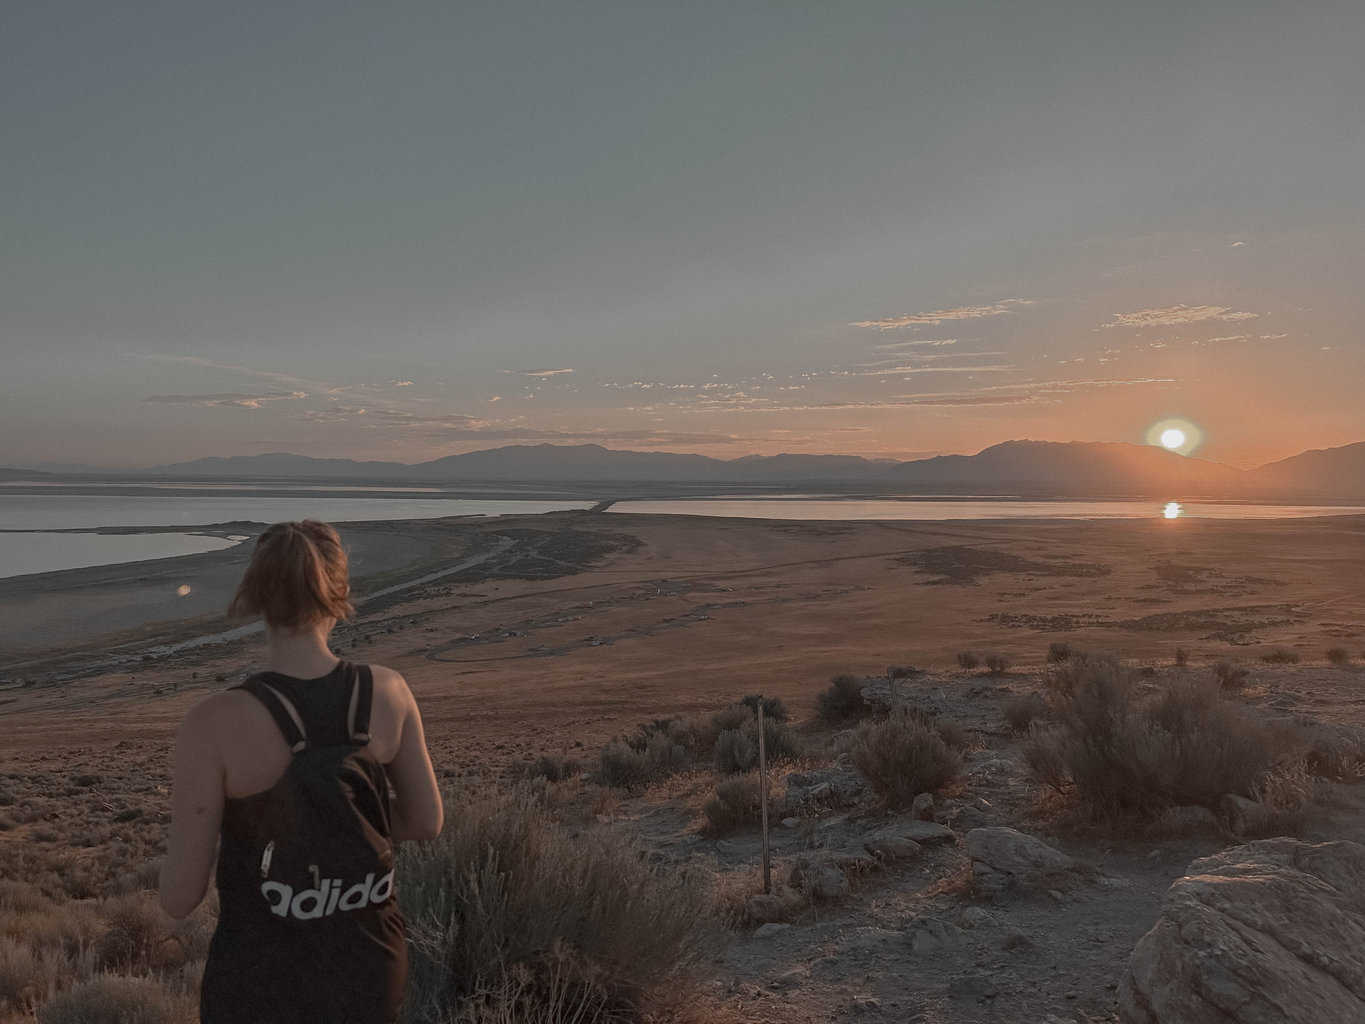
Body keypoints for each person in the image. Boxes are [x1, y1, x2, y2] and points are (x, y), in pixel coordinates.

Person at [159, 519, 444, 1024]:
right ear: (339, 592)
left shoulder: (213, 722)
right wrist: (347, 827)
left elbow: (180, 898)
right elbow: (425, 821)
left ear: (256, 597)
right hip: (370, 970)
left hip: (262, 984)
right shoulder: (389, 692)